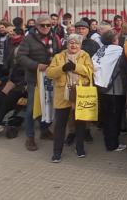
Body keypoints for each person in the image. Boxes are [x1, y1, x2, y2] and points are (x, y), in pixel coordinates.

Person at [17, 14, 62, 151]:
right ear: (36, 26)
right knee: (32, 108)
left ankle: (44, 130)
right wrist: (37, 66)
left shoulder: (54, 38)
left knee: (47, 105)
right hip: (34, 79)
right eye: (42, 25)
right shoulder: (28, 38)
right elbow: (21, 57)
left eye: (48, 25)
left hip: (50, 77)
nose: (46, 27)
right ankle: (30, 137)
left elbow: (58, 54)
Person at [46, 34, 93, 162]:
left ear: (80, 45)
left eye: (76, 43)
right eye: (71, 43)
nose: (73, 45)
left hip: (80, 92)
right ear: (67, 44)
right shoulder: (59, 56)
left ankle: (80, 147)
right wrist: (62, 68)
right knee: (60, 124)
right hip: (63, 94)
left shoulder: (85, 55)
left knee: (80, 123)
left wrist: (75, 67)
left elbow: (90, 71)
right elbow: (49, 73)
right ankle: (57, 152)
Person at [92, 30, 127, 152]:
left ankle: (108, 139)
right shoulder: (119, 51)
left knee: (106, 117)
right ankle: (113, 144)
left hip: (101, 89)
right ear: (114, 40)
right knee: (114, 118)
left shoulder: (100, 51)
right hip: (115, 90)